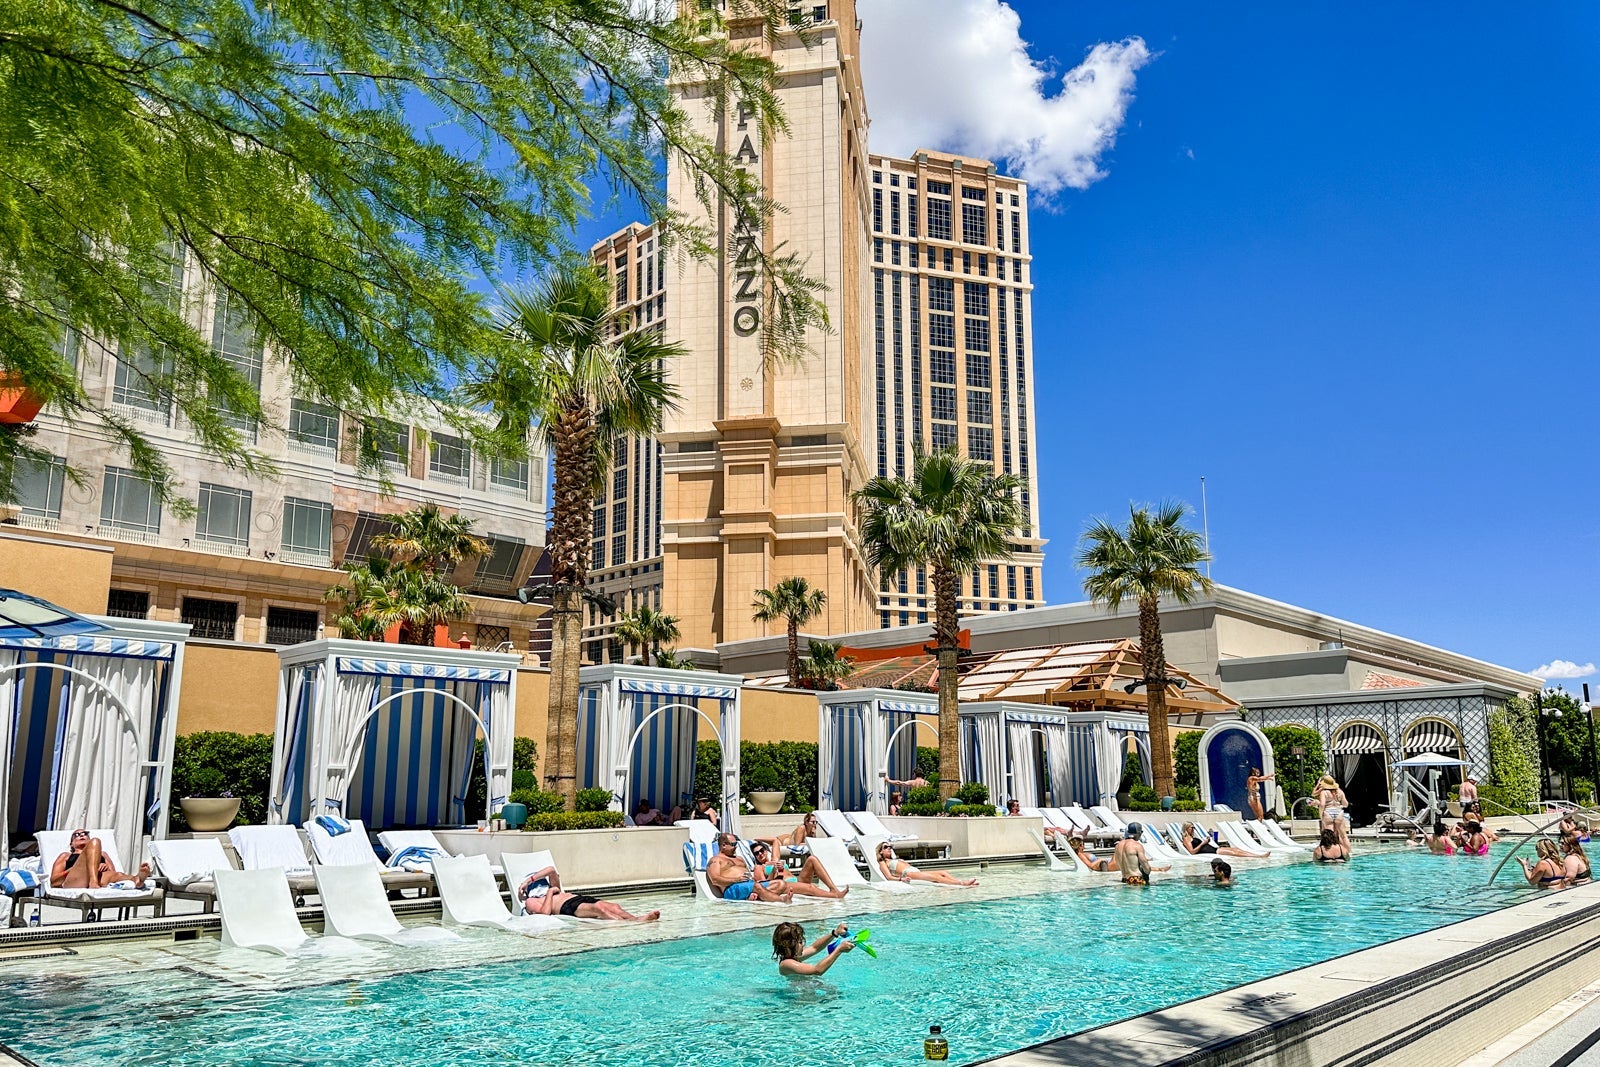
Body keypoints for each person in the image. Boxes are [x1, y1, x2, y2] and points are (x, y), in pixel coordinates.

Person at [517, 865, 660, 921]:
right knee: (599, 909)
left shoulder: (554, 887)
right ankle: (632, 924)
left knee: (614, 907)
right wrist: (549, 893)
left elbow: (551, 870)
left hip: (578, 898)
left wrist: (528, 880)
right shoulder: (531, 900)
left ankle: (636, 919)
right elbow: (545, 914)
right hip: (567, 907)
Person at [51, 829, 150, 890]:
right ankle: (92, 881)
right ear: (71, 844)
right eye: (76, 835)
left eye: (85, 833)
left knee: (119, 875)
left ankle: (136, 879)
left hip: (100, 879)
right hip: (75, 881)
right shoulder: (65, 856)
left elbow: (113, 875)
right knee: (96, 841)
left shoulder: (102, 854)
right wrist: (70, 870)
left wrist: (105, 867)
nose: (81, 835)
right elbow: (54, 882)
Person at [706, 832, 791, 902]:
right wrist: (736, 880)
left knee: (780, 883)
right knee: (756, 887)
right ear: (724, 845)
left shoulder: (740, 859)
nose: (736, 846)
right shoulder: (715, 860)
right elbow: (715, 880)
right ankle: (782, 900)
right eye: (733, 844)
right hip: (732, 889)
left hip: (750, 884)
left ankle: (753, 896)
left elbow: (750, 876)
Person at [748, 841, 848, 899]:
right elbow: (763, 886)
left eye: (762, 850)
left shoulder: (774, 859)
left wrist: (755, 840)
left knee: (812, 859)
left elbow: (775, 841)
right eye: (756, 853)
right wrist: (774, 871)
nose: (760, 854)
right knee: (810, 887)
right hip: (785, 885)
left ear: (766, 851)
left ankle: (833, 888)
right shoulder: (759, 867)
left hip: (797, 880)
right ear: (755, 857)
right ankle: (835, 896)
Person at [874, 841, 977, 886]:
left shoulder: (893, 859)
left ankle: (960, 881)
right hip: (908, 874)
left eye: (890, 847)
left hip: (913, 870)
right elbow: (888, 877)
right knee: (936, 878)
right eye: (886, 847)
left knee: (943, 872)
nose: (889, 849)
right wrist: (901, 879)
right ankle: (962, 884)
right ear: (881, 851)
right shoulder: (883, 863)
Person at [772, 921, 856, 978]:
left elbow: (814, 948)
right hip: (801, 1001)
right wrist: (838, 950)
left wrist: (835, 933)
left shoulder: (794, 957)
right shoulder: (786, 964)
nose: (803, 944)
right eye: (800, 942)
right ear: (789, 945)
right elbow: (817, 971)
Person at [1178, 821, 1264, 859]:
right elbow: (1192, 851)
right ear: (1186, 828)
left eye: (1194, 827)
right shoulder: (1186, 838)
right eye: (1191, 828)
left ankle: (1256, 855)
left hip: (1212, 848)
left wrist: (1206, 842)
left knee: (1236, 849)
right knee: (1234, 853)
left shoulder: (1191, 836)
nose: (1193, 829)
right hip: (1211, 851)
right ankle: (1257, 856)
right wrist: (1202, 843)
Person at [1312, 775, 1352, 852]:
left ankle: (1331, 853)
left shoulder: (1324, 792)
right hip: (1339, 812)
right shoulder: (1340, 791)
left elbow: (1322, 805)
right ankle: (1349, 853)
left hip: (1328, 812)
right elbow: (1346, 804)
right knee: (1343, 836)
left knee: (1329, 836)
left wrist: (1321, 814)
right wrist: (1338, 805)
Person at [756, 812, 820, 860]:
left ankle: (758, 839)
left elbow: (813, 843)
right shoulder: (802, 828)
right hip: (782, 842)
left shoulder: (812, 831)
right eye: (813, 822)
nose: (815, 824)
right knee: (769, 843)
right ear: (806, 822)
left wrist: (813, 834)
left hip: (787, 838)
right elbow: (797, 844)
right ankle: (756, 839)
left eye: (815, 822)